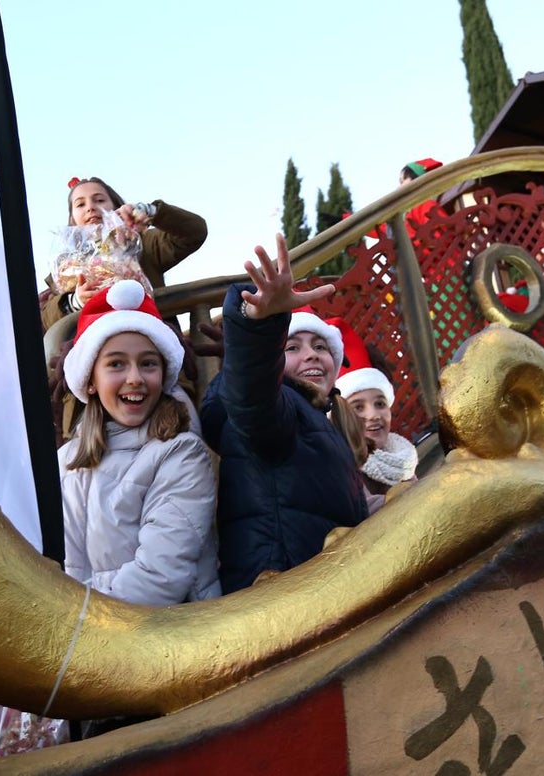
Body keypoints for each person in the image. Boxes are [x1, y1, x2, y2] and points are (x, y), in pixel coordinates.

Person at [199, 234, 369, 593]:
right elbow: (252, 392)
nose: (311, 355)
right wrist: (258, 326)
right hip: (282, 591)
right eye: (293, 346)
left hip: (318, 587)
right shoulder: (280, 409)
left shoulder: (322, 420)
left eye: (320, 346)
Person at [59, 279, 220, 606]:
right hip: (84, 637)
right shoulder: (66, 460)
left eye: (148, 363)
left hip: (161, 636)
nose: (134, 377)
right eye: (116, 364)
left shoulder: (181, 453)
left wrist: (76, 626)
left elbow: (160, 577)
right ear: (90, 380)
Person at [40, 176, 208, 332]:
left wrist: (150, 211)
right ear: (72, 219)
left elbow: (194, 233)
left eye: (99, 200)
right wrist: (74, 301)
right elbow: (46, 318)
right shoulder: (66, 267)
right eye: (80, 204)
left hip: (150, 335)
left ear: (116, 206)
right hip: (95, 347)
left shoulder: (141, 243)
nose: (91, 207)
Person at [331, 318, 418, 514]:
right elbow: (366, 511)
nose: (373, 415)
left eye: (380, 404)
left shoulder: (400, 456)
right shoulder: (343, 466)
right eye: (358, 407)